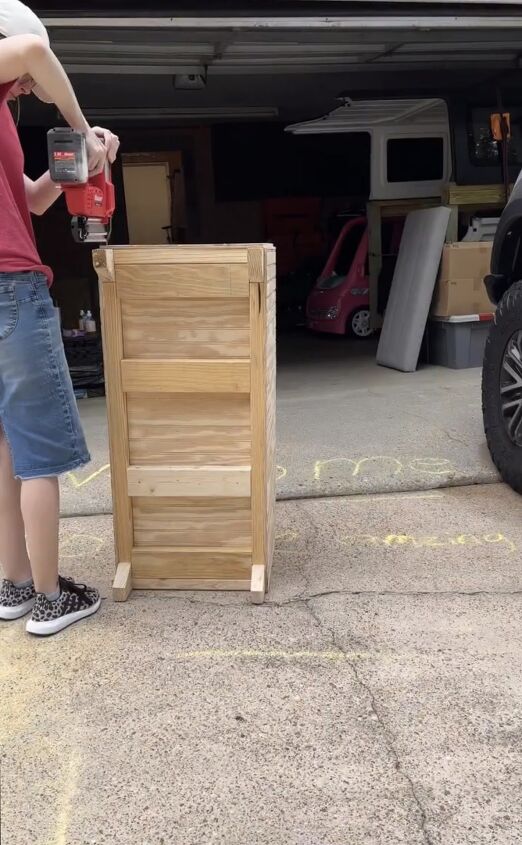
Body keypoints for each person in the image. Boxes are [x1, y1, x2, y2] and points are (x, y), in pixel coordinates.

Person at [0, 0, 120, 636]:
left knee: (6, 447)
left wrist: (77, 158)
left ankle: (16, 584)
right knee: (40, 454)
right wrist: (82, 124)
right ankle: (52, 598)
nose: (23, 89)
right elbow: (34, 56)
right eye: (18, 87)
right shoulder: (11, 64)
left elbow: (29, 202)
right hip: (9, 290)